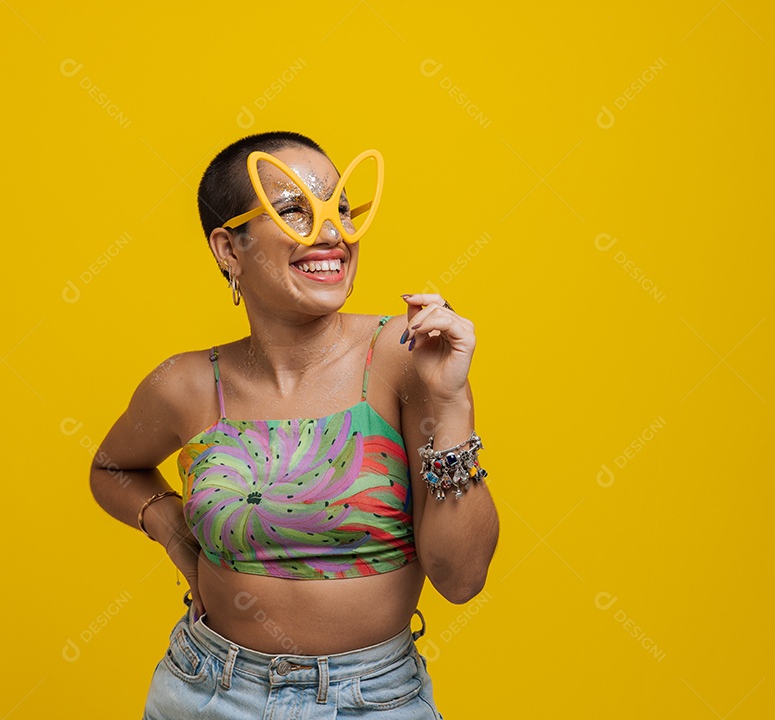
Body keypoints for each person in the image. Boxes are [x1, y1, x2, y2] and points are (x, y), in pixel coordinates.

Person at [89, 130, 499, 719]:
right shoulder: (184, 385)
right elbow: (111, 468)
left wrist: (453, 403)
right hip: (207, 691)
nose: (330, 232)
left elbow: (461, 577)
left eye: (338, 207)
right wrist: (175, 531)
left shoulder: (408, 355)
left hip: (372, 700)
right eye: (293, 211)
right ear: (229, 250)